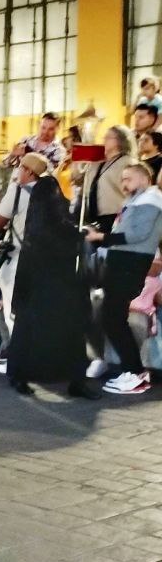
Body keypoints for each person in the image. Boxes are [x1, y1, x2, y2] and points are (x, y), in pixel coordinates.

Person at [5, 171, 99, 399]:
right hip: (63, 290)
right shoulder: (60, 226)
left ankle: (19, 377)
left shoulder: (35, 228)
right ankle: (76, 381)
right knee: (72, 335)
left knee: (27, 336)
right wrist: (81, 235)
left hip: (39, 292)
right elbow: (68, 245)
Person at [85, 163, 162, 395]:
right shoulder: (139, 201)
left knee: (112, 317)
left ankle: (135, 373)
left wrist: (100, 236)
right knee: (112, 317)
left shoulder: (150, 201)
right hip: (122, 262)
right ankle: (133, 372)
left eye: (127, 179)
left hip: (129, 263)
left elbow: (137, 234)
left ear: (142, 178)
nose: (123, 184)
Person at [0, 152, 48, 347]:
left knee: (13, 310)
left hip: (17, 257)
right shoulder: (49, 195)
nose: (18, 171)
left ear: (29, 172)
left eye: (21, 167)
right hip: (41, 260)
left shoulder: (17, 191)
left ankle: (20, 357)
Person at [73, 124, 135, 234]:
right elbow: (78, 180)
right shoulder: (98, 161)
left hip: (114, 215)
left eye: (109, 137)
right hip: (92, 215)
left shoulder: (128, 162)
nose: (104, 140)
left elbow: (132, 190)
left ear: (120, 140)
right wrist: (78, 161)